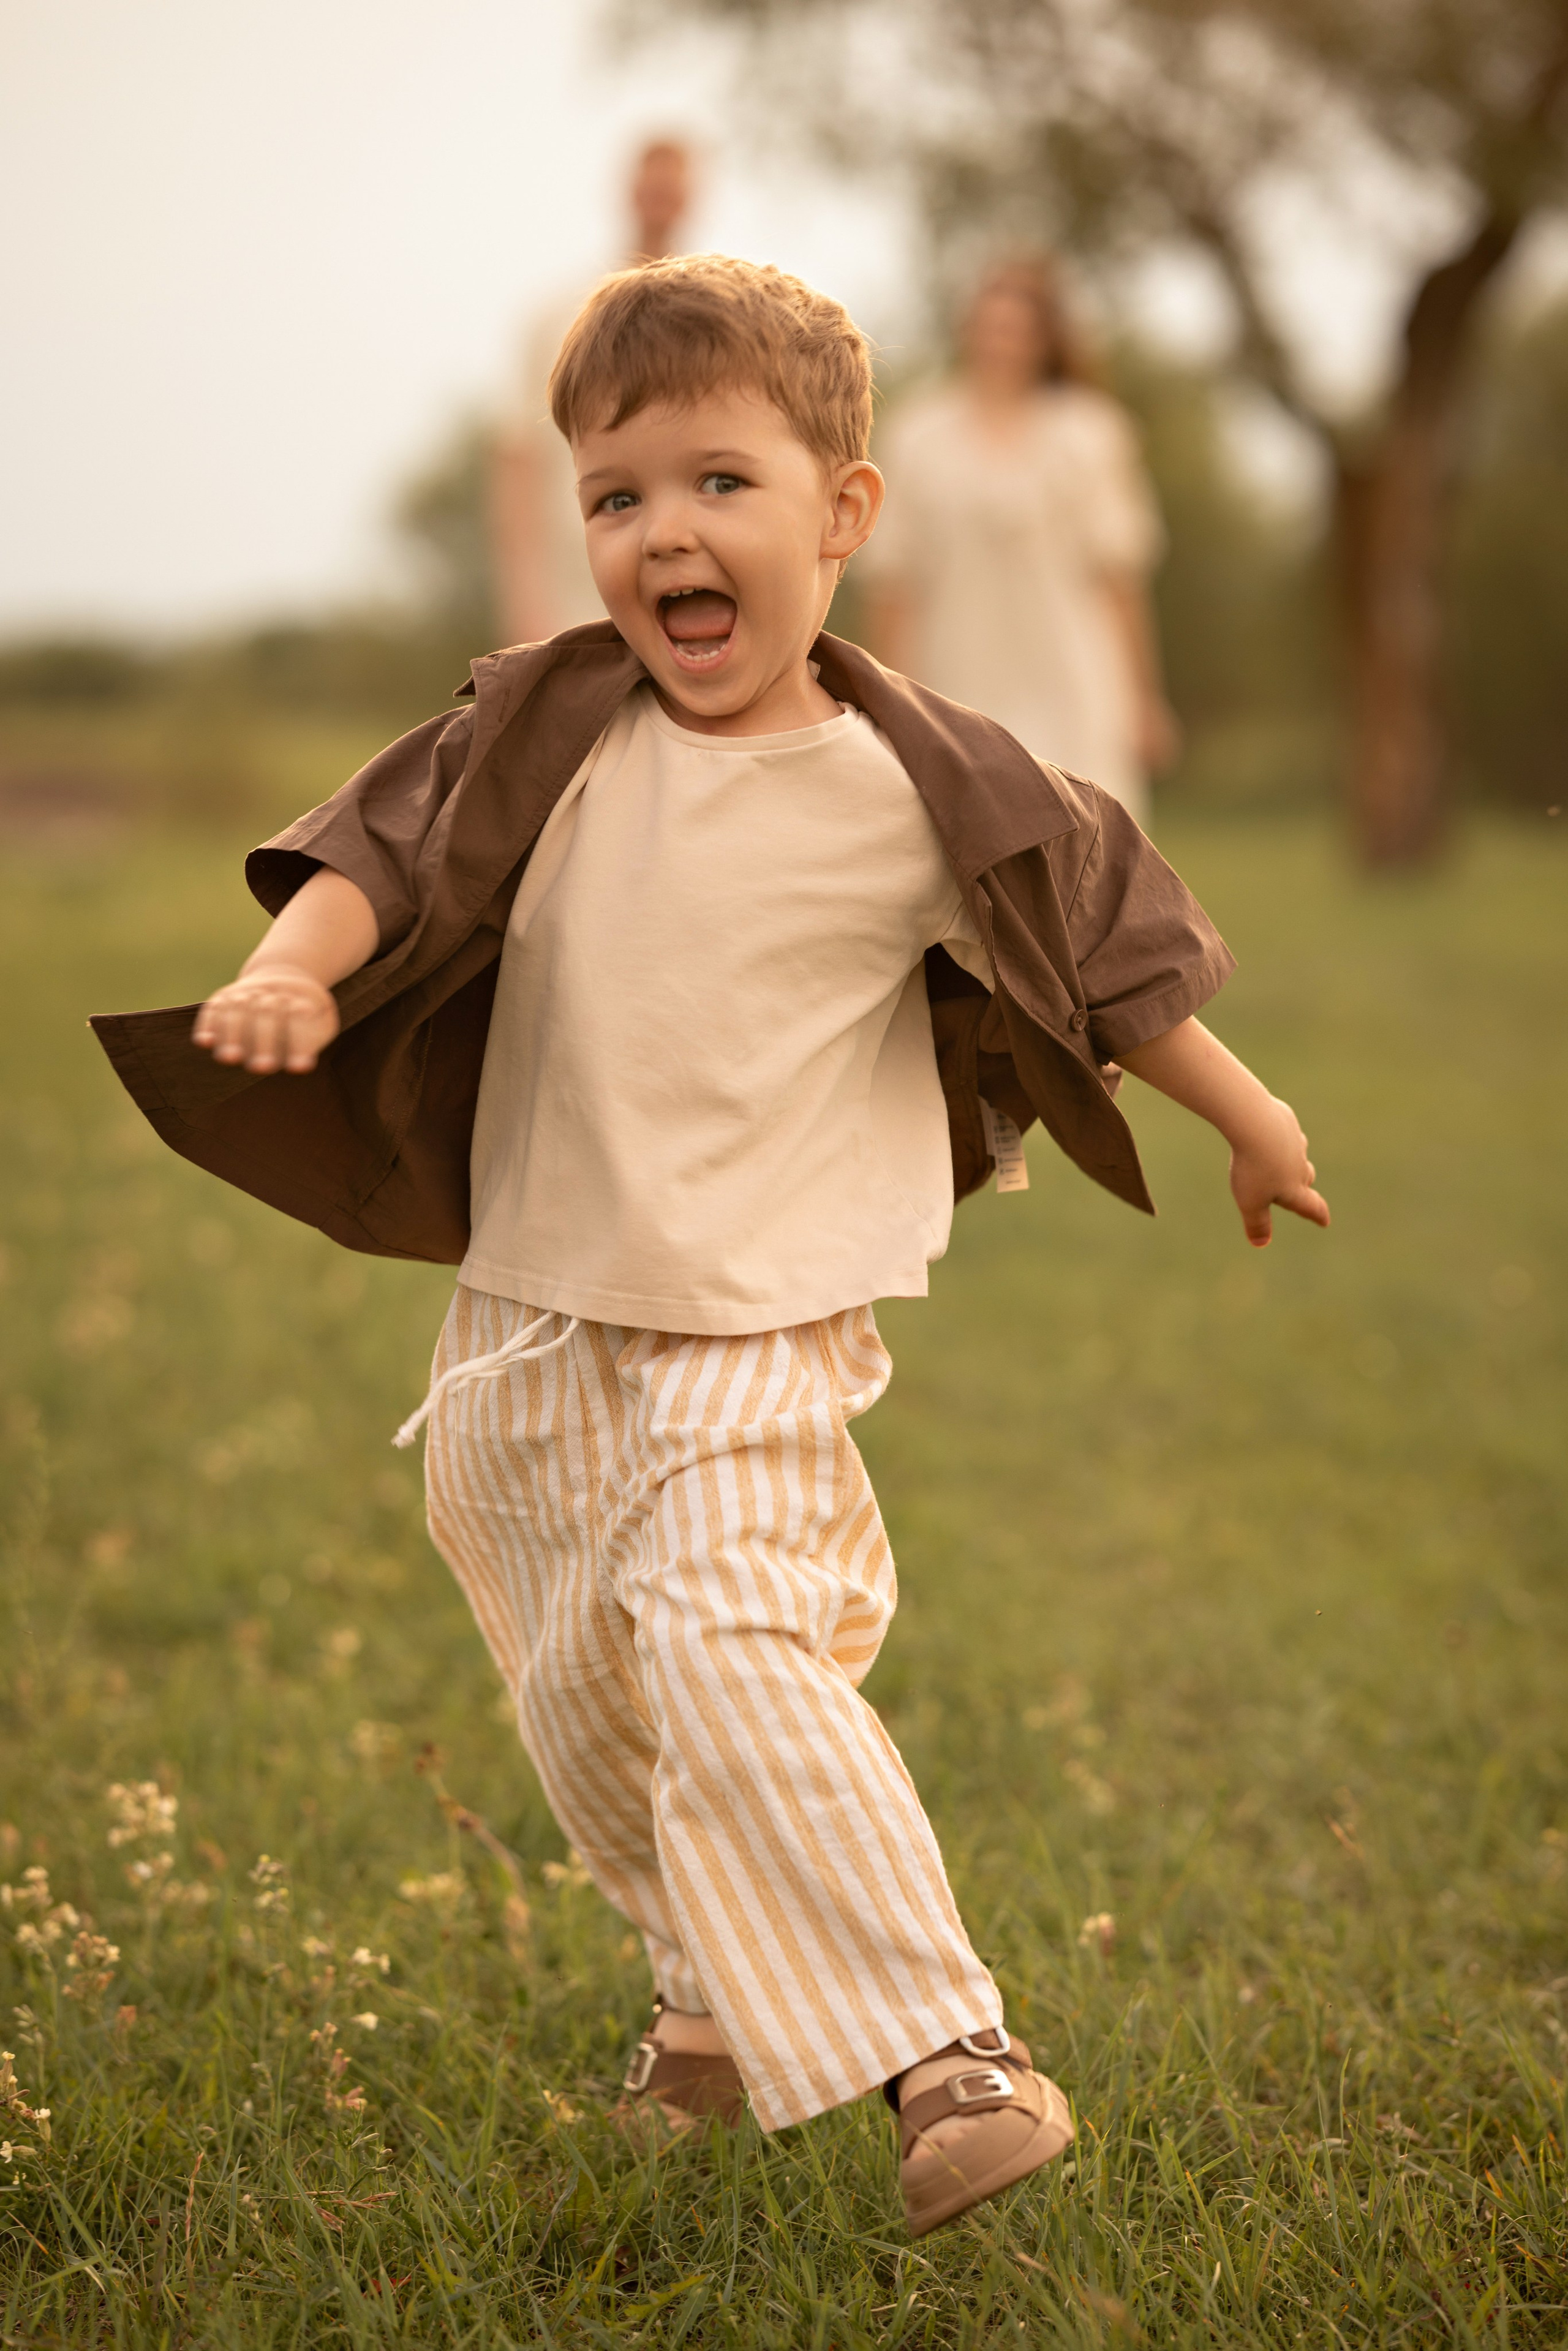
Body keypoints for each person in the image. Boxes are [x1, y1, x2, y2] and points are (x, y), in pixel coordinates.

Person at [93, 256, 1329, 2239]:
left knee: (729, 1631)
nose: (666, 531)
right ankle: (708, 2007)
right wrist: (282, 966)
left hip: (762, 1308)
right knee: (587, 1690)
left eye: (721, 484)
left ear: (845, 512)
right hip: (530, 1322)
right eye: (618, 494)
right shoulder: (546, 730)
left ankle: (953, 2048)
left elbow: (1109, 956)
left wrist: (1250, 1114)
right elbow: (372, 855)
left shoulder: (922, 786)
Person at [863, 254, 1177, 828]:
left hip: (1077, 683)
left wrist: (1144, 700)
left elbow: (1120, 579)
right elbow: (895, 584)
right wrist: (888, 706)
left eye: (1014, 329)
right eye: (987, 326)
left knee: (1091, 858)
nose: (998, 343)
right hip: (955, 683)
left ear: (1043, 339)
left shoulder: (1093, 433)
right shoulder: (917, 436)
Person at [489, 138, 694, 643]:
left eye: (673, 188)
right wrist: (525, 600)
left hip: (682, 579)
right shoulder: (559, 317)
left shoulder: (718, 324)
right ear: (629, 192)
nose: (660, 200)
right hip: (574, 593)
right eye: (652, 186)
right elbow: (520, 462)